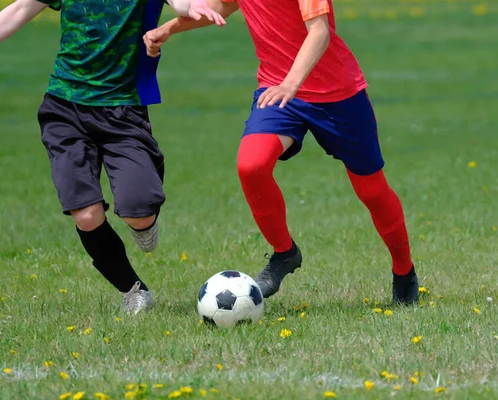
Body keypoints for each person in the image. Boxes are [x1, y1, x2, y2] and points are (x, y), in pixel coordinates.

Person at [0, 0, 226, 314]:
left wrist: (193, 5)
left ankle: (143, 218)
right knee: (85, 215)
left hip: (123, 108)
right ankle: (133, 290)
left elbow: (181, 2)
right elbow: (20, 9)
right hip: (64, 107)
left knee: (139, 213)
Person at [143, 0, 419, 304]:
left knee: (372, 191)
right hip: (278, 91)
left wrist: (291, 83)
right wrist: (168, 28)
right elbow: (219, 9)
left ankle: (404, 272)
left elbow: (320, 32)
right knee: (252, 165)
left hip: (338, 95)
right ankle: (284, 253)